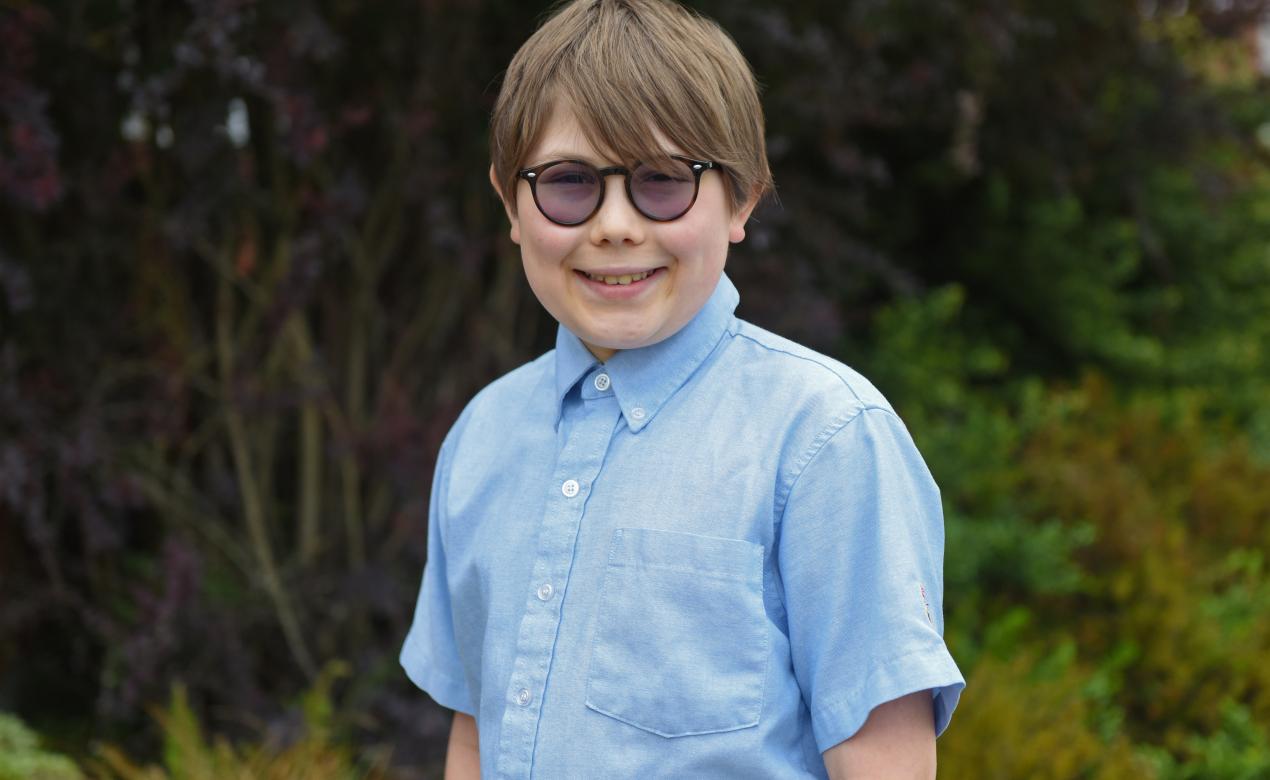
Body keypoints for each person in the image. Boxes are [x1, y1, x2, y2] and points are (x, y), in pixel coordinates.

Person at [400, 0, 965, 776]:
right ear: (510, 203)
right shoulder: (482, 438)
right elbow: (473, 732)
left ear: (742, 199)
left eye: (662, 182)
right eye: (568, 184)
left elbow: (883, 756)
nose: (616, 226)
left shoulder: (826, 438)